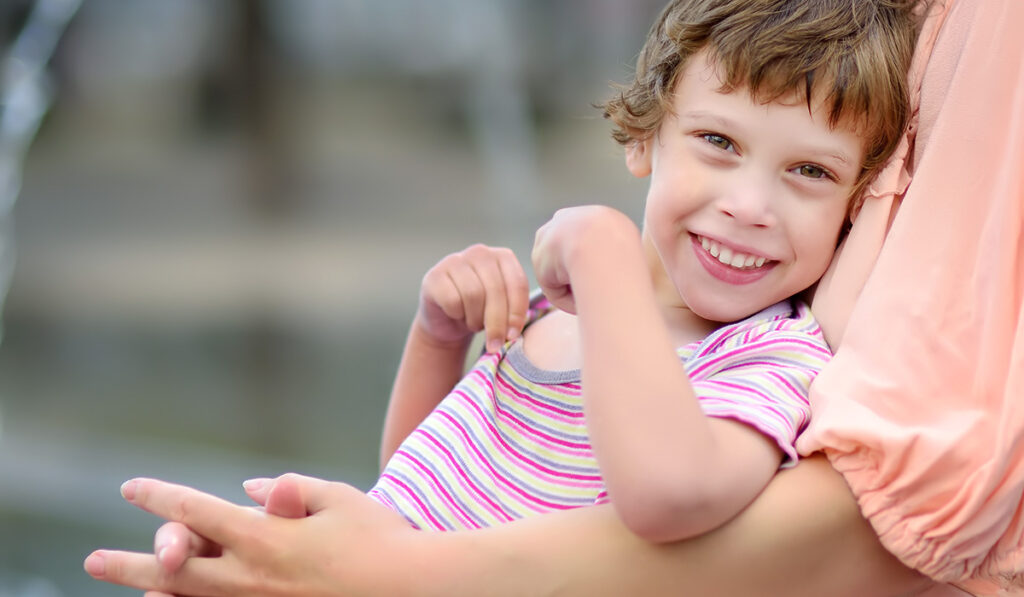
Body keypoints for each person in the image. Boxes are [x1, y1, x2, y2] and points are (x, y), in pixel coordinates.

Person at [83, 0, 1024, 595]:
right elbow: (419, 483)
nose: (749, 205)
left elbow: (670, 496)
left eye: (809, 173)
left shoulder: (773, 362)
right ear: (644, 137)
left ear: (857, 208)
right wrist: (436, 338)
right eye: (720, 145)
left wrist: (607, 247)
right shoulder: (559, 314)